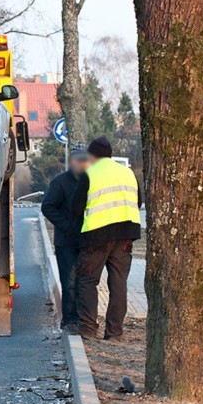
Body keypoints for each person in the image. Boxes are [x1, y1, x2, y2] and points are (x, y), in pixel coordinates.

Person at [72, 136, 142, 340]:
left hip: (97, 235)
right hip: (126, 234)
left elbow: (76, 208)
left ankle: (88, 329)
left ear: (92, 155)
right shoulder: (128, 173)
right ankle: (114, 332)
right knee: (119, 283)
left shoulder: (90, 173)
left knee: (87, 281)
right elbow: (138, 202)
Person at [41, 143, 90, 331]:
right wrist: (66, 226)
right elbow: (48, 207)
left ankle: (82, 318)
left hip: (87, 240)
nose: (82, 164)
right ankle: (69, 320)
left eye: (85, 160)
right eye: (78, 160)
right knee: (69, 282)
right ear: (72, 161)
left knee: (83, 282)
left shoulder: (91, 181)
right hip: (66, 242)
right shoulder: (60, 182)